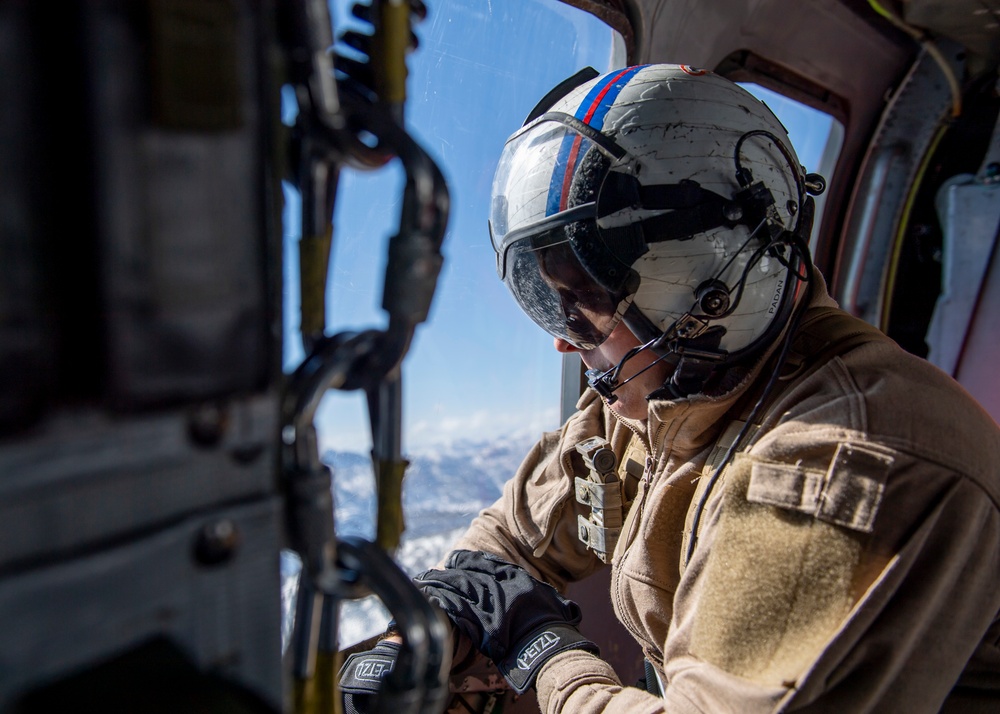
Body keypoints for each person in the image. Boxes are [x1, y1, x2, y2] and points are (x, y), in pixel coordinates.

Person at [340, 64, 1000, 713]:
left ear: (705, 277)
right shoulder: (666, 397)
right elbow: (511, 540)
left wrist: (546, 655)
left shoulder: (844, 460)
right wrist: (429, 628)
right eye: (548, 308)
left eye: (583, 306)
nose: (563, 342)